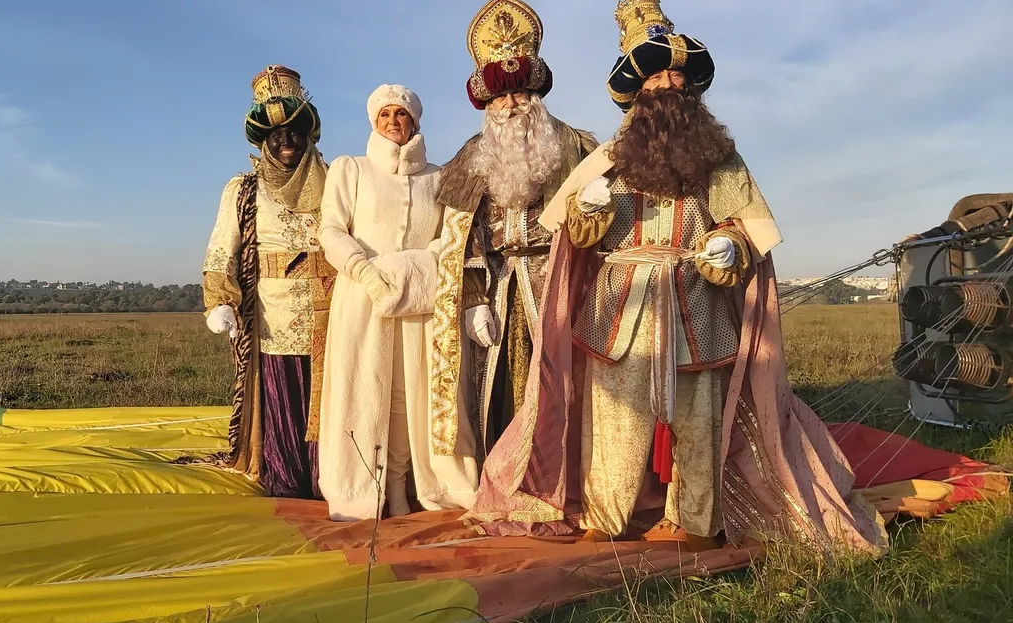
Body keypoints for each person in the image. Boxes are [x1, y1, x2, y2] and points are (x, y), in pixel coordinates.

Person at [464, 0, 889, 555]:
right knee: (615, 419)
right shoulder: (606, 159)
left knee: (699, 420)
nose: (669, 84)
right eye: (657, 76)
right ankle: (605, 514)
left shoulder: (719, 159)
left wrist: (729, 246)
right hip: (619, 310)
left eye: (677, 76)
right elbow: (575, 237)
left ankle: (697, 519)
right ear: (637, 90)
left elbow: (747, 228)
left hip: (696, 305)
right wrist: (587, 214)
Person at [429, 0, 600, 462]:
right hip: (500, 287)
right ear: (487, 103)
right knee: (499, 389)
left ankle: (559, 477)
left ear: (535, 94)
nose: (510, 105)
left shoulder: (577, 146)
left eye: (519, 93)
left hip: (561, 284)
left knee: (564, 386)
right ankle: (502, 477)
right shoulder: (472, 156)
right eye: (499, 97)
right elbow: (460, 236)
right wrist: (472, 301)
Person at [317, 85, 480, 521]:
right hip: (363, 299)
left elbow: (451, 239)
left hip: (422, 301)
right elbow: (331, 230)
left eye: (402, 114)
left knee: (413, 396)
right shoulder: (351, 169)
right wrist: (366, 272)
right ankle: (363, 490)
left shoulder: (440, 177)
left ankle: (402, 485)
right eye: (385, 114)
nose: (393, 121)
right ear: (374, 121)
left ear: (415, 121)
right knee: (368, 391)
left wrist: (415, 267)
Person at [201, 65, 335, 500]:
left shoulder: (337, 181)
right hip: (273, 316)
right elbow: (222, 249)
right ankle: (286, 478)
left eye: (294, 131)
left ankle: (332, 479)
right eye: (276, 135)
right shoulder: (242, 190)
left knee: (332, 396)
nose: (286, 141)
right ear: (264, 141)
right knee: (282, 396)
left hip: (335, 312)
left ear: (309, 136)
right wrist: (220, 300)